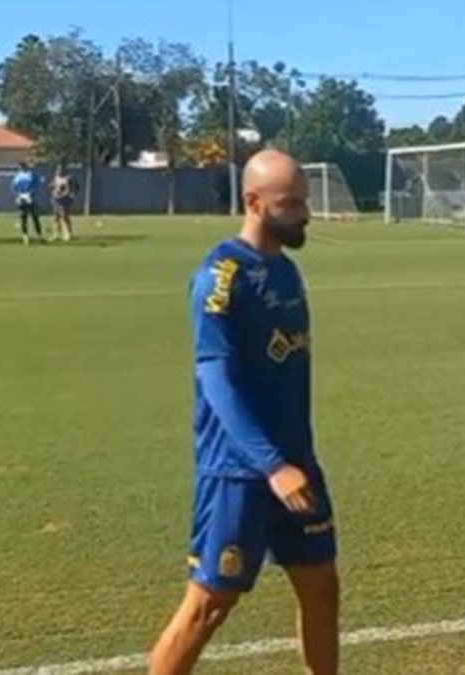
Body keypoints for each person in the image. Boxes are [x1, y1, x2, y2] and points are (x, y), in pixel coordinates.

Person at [149, 150, 339, 675]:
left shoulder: (286, 270)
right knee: (208, 607)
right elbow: (216, 381)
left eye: (304, 200)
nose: (305, 213)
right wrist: (271, 465)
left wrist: (290, 462)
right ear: (253, 202)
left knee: (321, 584)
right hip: (239, 471)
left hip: (296, 464)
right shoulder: (220, 278)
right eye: (291, 202)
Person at [12, 162, 43, 245]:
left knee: (31, 217)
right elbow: (14, 187)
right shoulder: (21, 175)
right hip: (25, 198)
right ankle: (28, 236)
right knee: (27, 217)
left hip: (26, 198)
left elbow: (35, 186)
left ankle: (34, 236)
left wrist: (26, 195)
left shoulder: (26, 175)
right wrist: (19, 196)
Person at [50, 165, 77, 242]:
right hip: (56, 199)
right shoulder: (56, 177)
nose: (59, 171)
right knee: (56, 217)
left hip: (64, 200)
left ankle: (68, 234)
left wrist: (66, 194)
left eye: (60, 170)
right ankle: (57, 234)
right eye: (58, 170)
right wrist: (52, 186)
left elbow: (70, 189)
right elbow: (53, 186)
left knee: (65, 216)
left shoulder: (67, 178)